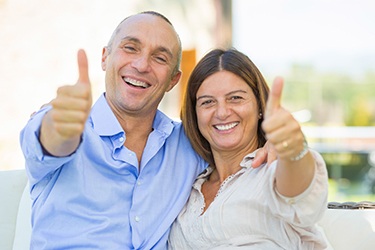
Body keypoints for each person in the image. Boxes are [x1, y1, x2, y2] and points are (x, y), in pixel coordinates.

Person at [20, 12, 273, 249]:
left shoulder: (188, 143)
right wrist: (61, 128)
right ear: (105, 57)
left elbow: (236, 141)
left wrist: (275, 143)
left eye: (160, 58)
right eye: (131, 48)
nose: (142, 65)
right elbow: (49, 141)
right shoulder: (63, 122)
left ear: (173, 80)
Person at [168, 48, 328, 249]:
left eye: (235, 98)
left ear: (260, 106)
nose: (222, 112)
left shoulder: (272, 167)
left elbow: (298, 193)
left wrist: (293, 150)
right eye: (207, 102)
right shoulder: (188, 188)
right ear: (195, 114)